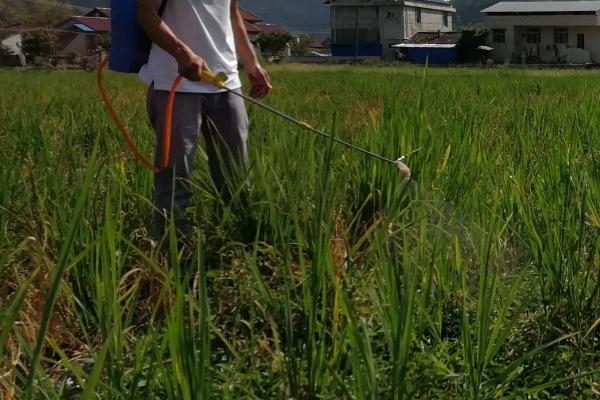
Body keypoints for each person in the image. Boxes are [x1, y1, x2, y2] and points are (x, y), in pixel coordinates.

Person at [138, 0, 272, 242]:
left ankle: (239, 244)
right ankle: (174, 247)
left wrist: (252, 63)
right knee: (176, 174)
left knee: (236, 172)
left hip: (226, 82)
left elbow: (232, 15)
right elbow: (146, 14)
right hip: (175, 82)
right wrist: (182, 52)